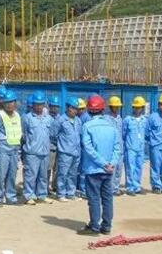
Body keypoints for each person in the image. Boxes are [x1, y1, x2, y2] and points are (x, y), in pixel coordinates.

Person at [78, 95, 121, 236]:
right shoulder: (111, 126)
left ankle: (94, 227)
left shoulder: (87, 126)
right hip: (108, 170)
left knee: (94, 198)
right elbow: (117, 148)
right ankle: (107, 226)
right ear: (103, 109)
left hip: (93, 169)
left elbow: (88, 149)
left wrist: (102, 163)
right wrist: (110, 164)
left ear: (89, 110)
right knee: (107, 198)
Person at [0, 90, 22, 207]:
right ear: (3, 103)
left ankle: (10, 197)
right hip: (2, 150)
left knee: (12, 175)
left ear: (15, 103)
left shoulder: (17, 115)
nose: (10, 105)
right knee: (0, 175)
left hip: (14, 150)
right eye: (7, 102)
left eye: (12, 102)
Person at [22, 91, 55, 205]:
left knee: (43, 176)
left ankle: (42, 195)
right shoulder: (27, 118)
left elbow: (51, 133)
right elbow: (24, 135)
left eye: (41, 104)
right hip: (32, 152)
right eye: (37, 104)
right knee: (31, 175)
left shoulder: (48, 118)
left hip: (44, 152)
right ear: (33, 105)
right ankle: (29, 195)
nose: (39, 106)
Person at [53, 97, 82, 202]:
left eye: (76, 108)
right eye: (72, 108)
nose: (74, 110)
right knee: (62, 173)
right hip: (65, 152)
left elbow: (79, 135)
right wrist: (62, 145)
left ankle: (71, 193)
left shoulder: (78, 120)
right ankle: (61, 194)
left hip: (76, 152)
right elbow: (53, 135)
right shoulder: (60, 120)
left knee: (73, 174)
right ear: (67, 107)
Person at [123, 96, 148, 196]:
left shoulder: (144, 120)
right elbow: (123, 134)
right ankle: (130, 188)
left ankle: (137, 187)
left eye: (139, 107)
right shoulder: (128, 120)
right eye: (136, 107)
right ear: (133, 107)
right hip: (130, 148)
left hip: (140, 148)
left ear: (142, 108)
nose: (137, 109)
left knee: (139, 167)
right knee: (130, 168)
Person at [107, 96, 124, 196]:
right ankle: (110, 189)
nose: (117, 108)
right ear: (110, 107)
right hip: (111, 148)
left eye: (118, 106)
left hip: (120, 147)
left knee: (119, 169)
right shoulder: (107, 119)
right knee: (112, 170)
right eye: (115, 106)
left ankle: (116, 188)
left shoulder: (119, 118)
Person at [47, 95, 61, 193]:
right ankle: (45, 187)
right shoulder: (46, 118)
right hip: (50, 147)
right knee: (48, 168)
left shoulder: (61, 118)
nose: (55, 108)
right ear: (49, 106)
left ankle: (55, 186)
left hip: (59, 147)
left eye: (56, 106)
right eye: (53, 106)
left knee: (57, 168)